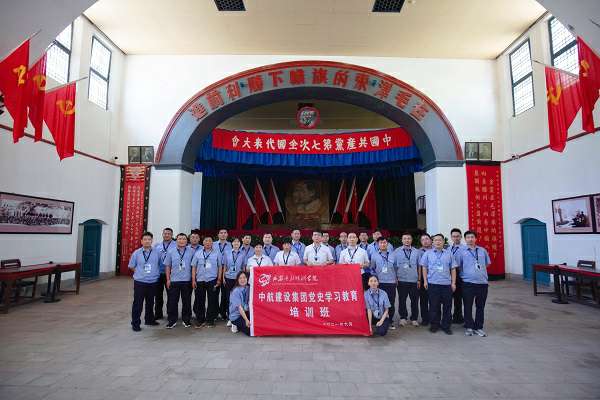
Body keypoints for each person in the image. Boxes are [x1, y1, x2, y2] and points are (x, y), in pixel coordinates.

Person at [454, 230, 491, 337]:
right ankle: (469, 326)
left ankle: (478, 327)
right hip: (468, 283)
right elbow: (457, 266)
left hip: (482, 283)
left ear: (476, 238)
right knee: (468, 306)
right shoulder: (461, 251)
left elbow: (487, 264)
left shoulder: (482, 250)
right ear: (465, 239)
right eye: (468, 237)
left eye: (472, 237)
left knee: (480, 306)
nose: (470, 239)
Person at [421, 233, 457, 335]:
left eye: (440, 240)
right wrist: (425, 281)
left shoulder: (449, 254)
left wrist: (453, 283)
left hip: (446, 284)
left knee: (447, 306)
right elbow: (424, 267)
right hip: (433, 284)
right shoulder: (427, 253)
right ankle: (434, 325)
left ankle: (446, 326)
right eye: (435, 240)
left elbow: (453, 268)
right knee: (434, 306)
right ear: (432, 242)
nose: (438, 242)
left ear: (443, 241)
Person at [128, 231, 161, 332]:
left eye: (149, 239)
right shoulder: (136, 253)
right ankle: (135, 323)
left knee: (150, 302)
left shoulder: (157, 252)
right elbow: (131, 266)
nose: (147, 241)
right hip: (140, 282)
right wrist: (140, 273)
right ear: (141, 241)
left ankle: (149, 320)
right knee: (138, 303)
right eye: (145, 239)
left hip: (153, 282)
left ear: (152, 241)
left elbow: (160, 264)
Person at [164, 233, 194, 329]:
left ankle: (186, 320)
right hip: (174, 280)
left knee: (187, 302)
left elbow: (194, 266)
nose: (182, 241)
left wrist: (193, 279)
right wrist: (168, 279)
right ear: (176, 240)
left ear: (187, 241)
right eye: (180, 239)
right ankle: (172, 320)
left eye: (184, 239)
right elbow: (167, 266)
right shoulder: (171, 251)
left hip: (187, 280)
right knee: (172, 302)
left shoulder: (191, 251)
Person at [191, 236, 223, 328]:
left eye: (210, 241)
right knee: (200, 301)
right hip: (200, 280)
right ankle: (200, 320)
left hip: (212, 280)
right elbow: (194, 267)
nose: (208, 242)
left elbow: (220, 266)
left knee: (212, 301)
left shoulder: (217, 253)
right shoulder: (198, 253)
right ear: (203, 242)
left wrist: (219, 279)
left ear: (212, 243)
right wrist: (193, 280)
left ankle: (210, 320)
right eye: (206, 241)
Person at [393, 232, 421, 327]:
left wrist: (419, 279)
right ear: (402, 240)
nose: (407, 240)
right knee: (402, 300)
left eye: (409, 238)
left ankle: (414, 318)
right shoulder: (397, 251)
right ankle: (403, 317)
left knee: (414, 301)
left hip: (414, 280)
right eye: (405, 238)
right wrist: (395, 277)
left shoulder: (417, 252)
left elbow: (419, 266)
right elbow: (394, 266)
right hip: (401, 280)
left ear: (411, 240)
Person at [370, 237, 397, 330]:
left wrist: (395, 278)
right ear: (378, 244)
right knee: (378, 302)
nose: (383, 244)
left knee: (390, 302)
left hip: (391, 282)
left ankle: (390, 321)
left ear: (387, 244)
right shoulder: (374, 255)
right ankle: (378, 320)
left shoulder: (393, 255)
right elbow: (372, 268)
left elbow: (396, 267)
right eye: (381, 243)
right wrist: (375, 281)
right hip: (380, 283)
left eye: (384, 242)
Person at [222, 237, 245, 327]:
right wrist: (223, 277)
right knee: (229, 298)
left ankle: (238, 316)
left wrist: (244, 279)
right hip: (228, 278)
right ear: (232, 243)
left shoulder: (242, 254)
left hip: (238, 279)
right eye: (234, 242)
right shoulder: (227, 253)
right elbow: (225, 266)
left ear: (240, 244)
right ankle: (230, 318)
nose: (236, 243)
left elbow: (243, 267)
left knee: (238, 298)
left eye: (238, 242)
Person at [153, 228, 176, 320]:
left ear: (172, 235)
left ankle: (170, 314)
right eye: (165, 233)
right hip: (158, 274)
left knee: (171, 295)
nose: (167, 235)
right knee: (158, 295)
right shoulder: (157, 246)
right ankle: (158, 314)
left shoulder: (176, 245)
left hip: (170, 274)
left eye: (169, 234)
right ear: (162, 234)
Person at [213, 228, 231, 320]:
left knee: (225, 294)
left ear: (227, 234)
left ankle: (223, 313)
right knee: (214, 294)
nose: (223, 234)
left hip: (226, 271)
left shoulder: (231, 245)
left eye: (225, 233)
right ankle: (215, 313)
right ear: (218, 235)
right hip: (215, 270)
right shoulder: (213, 244)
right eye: (221, 233)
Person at [449, 228, 466, 324]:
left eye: (457, 236)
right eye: (454, 236)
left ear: (461, 237)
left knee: (458, 298)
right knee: (448, 298)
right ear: (451, 237)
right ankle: (448, 317)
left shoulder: (465, 249)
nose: (456, 238)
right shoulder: (448, 248)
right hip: (448, 275)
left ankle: (458, 317)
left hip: (460, 275)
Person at [417, 233, 433, 326]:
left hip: (434, 278)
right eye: (423, 240)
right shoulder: (418, 252)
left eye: (427, 239)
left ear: (430, 240)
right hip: (423, 278)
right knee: (423, 300)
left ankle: (434, 318)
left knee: (434, 300)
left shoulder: (436, 250)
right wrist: (419, 280)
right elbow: (419, 266)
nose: (425, 241)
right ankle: (425, 319)